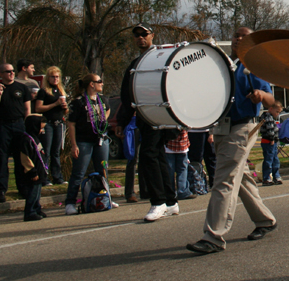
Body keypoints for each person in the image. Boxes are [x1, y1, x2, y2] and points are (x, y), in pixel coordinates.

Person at [186, 26, 277, 254]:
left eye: (244, 35)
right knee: (240, 177)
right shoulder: (226, 66)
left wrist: (261, 95)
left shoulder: (254, 65)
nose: (238, 38)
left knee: (224, 179)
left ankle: (214, 236)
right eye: (236, 35)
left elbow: (272, 100)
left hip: (243, 127)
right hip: (222, 128)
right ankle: (266, 220)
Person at [116, 23, 177, 220]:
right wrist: (122, 121)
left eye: (144, 34)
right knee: (157, 156)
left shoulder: (161, 57)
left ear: (152, 36)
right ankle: (170, 201)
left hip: (163, 115)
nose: (140, 38)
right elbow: (128, 95)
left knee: (149, 156)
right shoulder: (135, 64)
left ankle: (158, 202)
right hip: (146, 116)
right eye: (136, 35)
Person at [0, 63, 32, 202]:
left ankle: (22, 187)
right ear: (1, 74)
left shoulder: (22, 88)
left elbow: (27, 109)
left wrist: (27, 126)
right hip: (2, 125)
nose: (11, 73)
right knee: (1, 158)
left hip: (18, 124)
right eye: (7, 72)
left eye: (12, 71)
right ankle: (1, 190)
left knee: (20, 158)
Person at [64, 73, 110, 215]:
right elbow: (71, 123)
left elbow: (108, 109)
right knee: (79, 172)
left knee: (103, 170)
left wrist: (103, 118)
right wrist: (74, 145)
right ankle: (70, 202)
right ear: (91, 84)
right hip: (84, 141)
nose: (102, 84)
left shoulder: (102, 99)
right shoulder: (78, 102)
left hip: (101, 140)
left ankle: (105, 197)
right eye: (99, 81)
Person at [33, 67, 68, 186]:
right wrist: (55, 104)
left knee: (56, 152)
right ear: (48, 78)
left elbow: (65, 111)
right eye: (53, 77)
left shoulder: (60, 91)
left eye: (57, 77)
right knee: (46, 152)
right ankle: (44, 178)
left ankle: (58, 177)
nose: (55, 79)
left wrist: (65, 107)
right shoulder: (43, 91)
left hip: (59, 123)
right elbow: (38, 108)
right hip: (48, 123)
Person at [13, 114, 47, 221]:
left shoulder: (35, 138)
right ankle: (30, 211)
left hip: (40, 171)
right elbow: (25, 157)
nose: (42, 130)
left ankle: (37, 208)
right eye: (40, 128)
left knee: (37, 192)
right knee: (32, 193)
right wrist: (32, 171)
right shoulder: (26, 140)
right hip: (33, 173)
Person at [165, 130, 194, 200]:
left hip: (169, 144)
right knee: (182, 169)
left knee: (170, 170)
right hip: (182, 144)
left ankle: (170, 193)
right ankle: (182, 191)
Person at [259, 101, 283, 185]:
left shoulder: (271, 117)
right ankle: (266, 178)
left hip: (273, 141)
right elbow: (270, 129)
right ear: (271, 109)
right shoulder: (268, 117)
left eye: (279, 112)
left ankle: (276, 176)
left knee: (275, 159)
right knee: (269, 160)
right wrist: (272, 139)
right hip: (268, 141)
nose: (277, 114)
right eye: (277, 112)